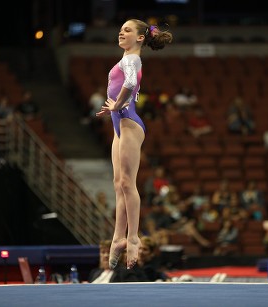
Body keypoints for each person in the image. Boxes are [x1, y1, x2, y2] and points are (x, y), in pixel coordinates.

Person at [95, 19, 173, 270]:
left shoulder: (133, 59)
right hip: (120, 124)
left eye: (128, 30)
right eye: (121, 28)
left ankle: (133, 238)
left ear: (140, 38)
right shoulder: (127, 57)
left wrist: (117, 105)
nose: (121, 31)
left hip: (128, 121)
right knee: (119, 184)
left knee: (128, 183)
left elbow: (129, 83)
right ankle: (118, 237)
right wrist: (115, 107)